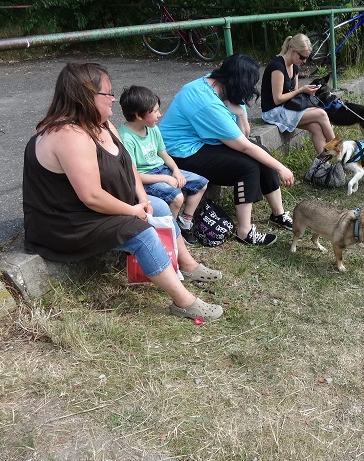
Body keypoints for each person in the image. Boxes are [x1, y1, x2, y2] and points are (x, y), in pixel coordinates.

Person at [22, 62, 223, 321]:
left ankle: (187, 264)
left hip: (90, 209)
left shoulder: (103, 125)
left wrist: (142, 198)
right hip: (66, 221)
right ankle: (184, 302)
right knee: (140, 233)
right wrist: (132, 211)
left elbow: (129, 165)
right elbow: (91, 196)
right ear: (86, 96)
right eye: (108, 93)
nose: (113, 99)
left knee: (159, 206)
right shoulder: (68, 135)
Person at [159, 54, 295, 247]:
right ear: (239, 81)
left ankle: (278, 214)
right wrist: (281, 168)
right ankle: (244, 232)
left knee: (261, 152)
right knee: (247, 166)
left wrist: (240, 113)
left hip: (201, 143)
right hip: (180, 153)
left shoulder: (225, 87)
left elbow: (245, 135)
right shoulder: (206, 101)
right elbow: (244, 146)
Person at [118, 85, 208, 245]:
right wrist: (165, 179)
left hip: (162, 170)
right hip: (146, 178)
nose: (159, 114)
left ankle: (184, 223)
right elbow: (134, 175)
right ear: (138, 115)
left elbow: (163, 153)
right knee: (177, 197)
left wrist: (176, 171)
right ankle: (170, 235)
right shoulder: (126, 138)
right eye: (155, 111)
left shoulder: (152, 128)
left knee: (201, 183)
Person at [261, 33, 335, 154]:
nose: (304, 61)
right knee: (321, 114)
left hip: (287, 106)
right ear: (293, 51)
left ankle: (324, 163)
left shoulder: (294, 66)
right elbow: (277, 99)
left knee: (316, 127)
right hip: (273, 111)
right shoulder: (277, 67)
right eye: (302, 57)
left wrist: (308, 92)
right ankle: (341, 152)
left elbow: (294, 95)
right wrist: (301, 90)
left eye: (306, 58)